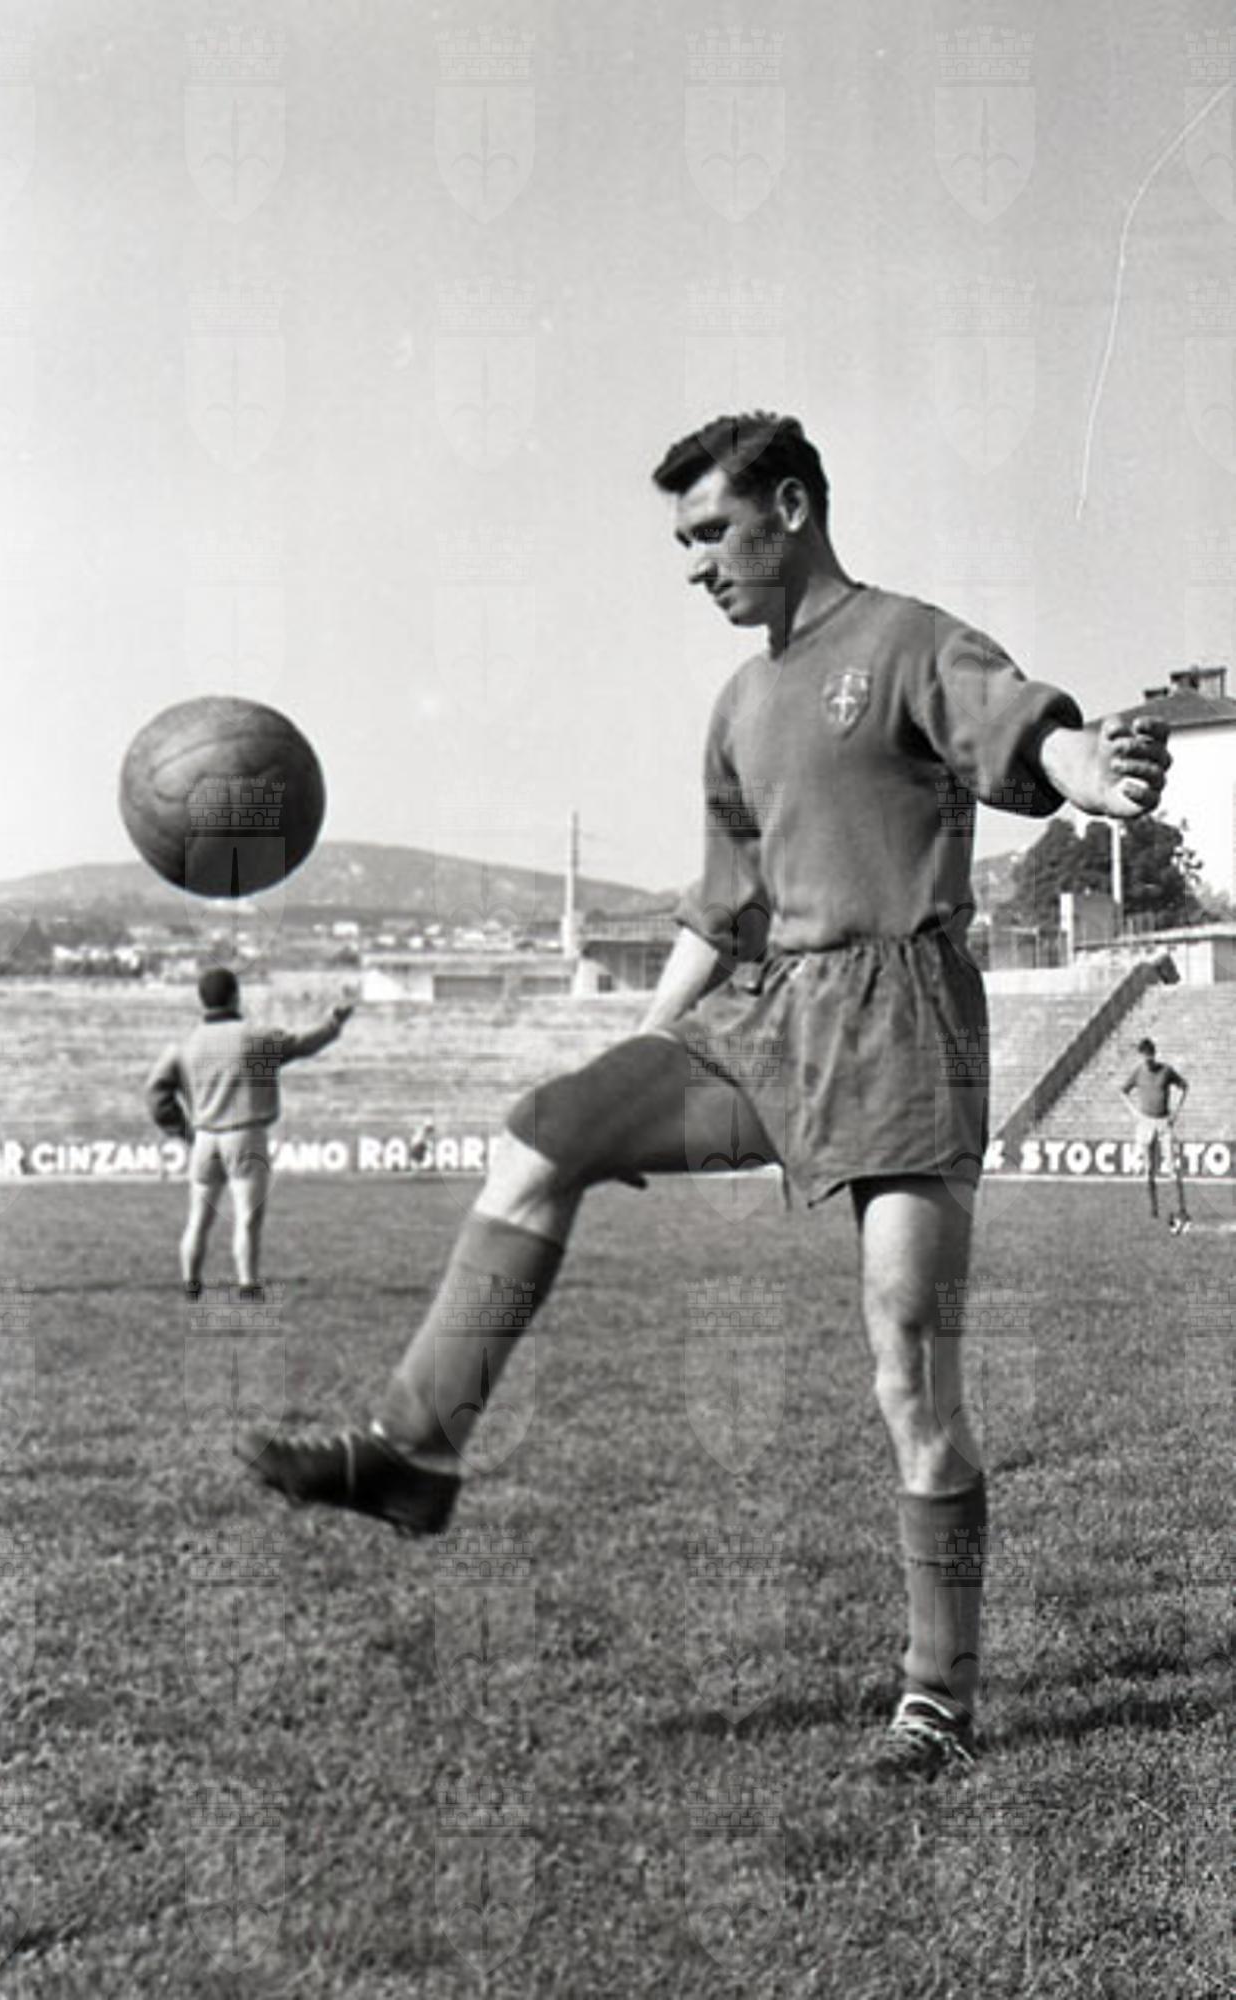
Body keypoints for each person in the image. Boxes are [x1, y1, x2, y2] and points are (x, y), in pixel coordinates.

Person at [239, 412, 1169, 1779]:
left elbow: (1031, 734)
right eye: (683, 542)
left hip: (904, 1024)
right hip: (772, 1018)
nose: (694, 565)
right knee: (546, 1132)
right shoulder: (737, 705)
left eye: (711, 532)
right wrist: (634, 1058)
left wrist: (1105, 777)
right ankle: (413, 1451)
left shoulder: (909, 640)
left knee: (907, 1365)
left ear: (788, 508)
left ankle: (937, 1697)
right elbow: (725, 908)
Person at [146, 967, 353, 1298]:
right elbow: (302, 1045)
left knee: (198, 1218)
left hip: (204, 1136)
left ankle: (191, 1283)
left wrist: (182, 1130)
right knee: (247, 1216)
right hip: (245, 1134)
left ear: (203, 1001)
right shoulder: (256, 1039)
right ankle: (247, 1284)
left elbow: (156, 1094)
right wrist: (333, 1024)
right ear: (235, 996)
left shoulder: (184, 1046)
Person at [1121, 1036, 1189, 1226]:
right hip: (1145, 1123)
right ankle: (1153, 1209)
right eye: (1144, 1056)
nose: (1147, 1059)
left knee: (1172, 1167)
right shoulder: (1138, 1072)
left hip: (1164, 1123)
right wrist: (1133, 1112)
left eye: (1149, 1055)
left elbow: (1184, 1087)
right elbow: (1123, 1091)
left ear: (1154, 1054)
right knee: (1149, 1168)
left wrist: (1176, 1111)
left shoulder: (1166, 1071)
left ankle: (1181, 1209)